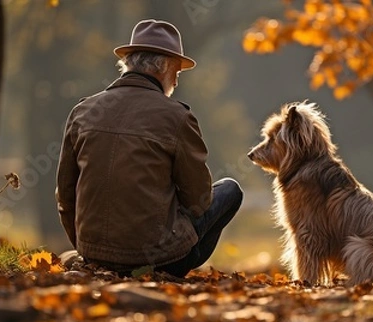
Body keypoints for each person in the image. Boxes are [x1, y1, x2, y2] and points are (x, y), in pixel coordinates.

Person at [55, 19, 243, 277]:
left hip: (93, 253)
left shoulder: (82, 111)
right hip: (161, 259)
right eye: (176, 73)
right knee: (231, 189)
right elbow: (198, 200)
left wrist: (85, 247)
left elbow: (65, 194)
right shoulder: (177, 117)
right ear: (163, 67)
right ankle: (175, 270)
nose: (176, 82)